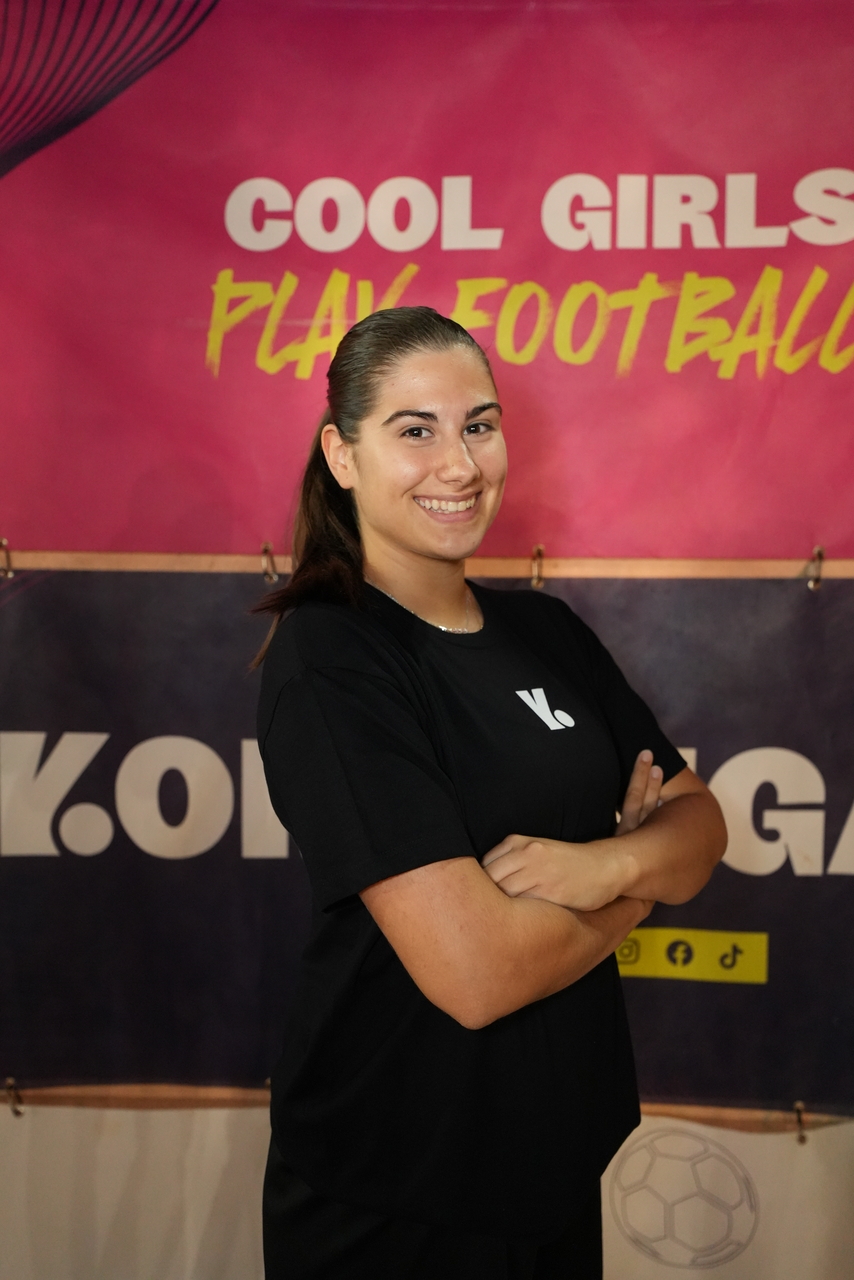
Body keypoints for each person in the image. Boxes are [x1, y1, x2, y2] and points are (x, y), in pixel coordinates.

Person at [255, 306, 727, 1279]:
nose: (460, 464)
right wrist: (632, 894)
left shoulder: (547, 633)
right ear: (341, 455)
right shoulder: (332, 655)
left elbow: (700, 829)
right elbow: (477, 975)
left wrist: (598, 865)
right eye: (414, 429)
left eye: (478, 424)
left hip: (551, 1172)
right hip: (396, 1195)